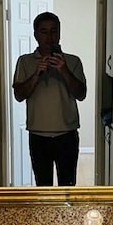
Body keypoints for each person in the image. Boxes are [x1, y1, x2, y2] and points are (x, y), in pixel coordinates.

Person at [13, 11, 87, 186]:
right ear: (36, 34)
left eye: (54, 31)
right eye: (44, 31)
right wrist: (36, 74)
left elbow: (81, 94)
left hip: (67, 135)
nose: (49, 37)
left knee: (67, 188)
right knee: (42, 188)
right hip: (38, 137)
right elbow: (19, 95)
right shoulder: (25, 62)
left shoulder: (73, 61)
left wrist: (64, 70)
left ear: (59, 33)